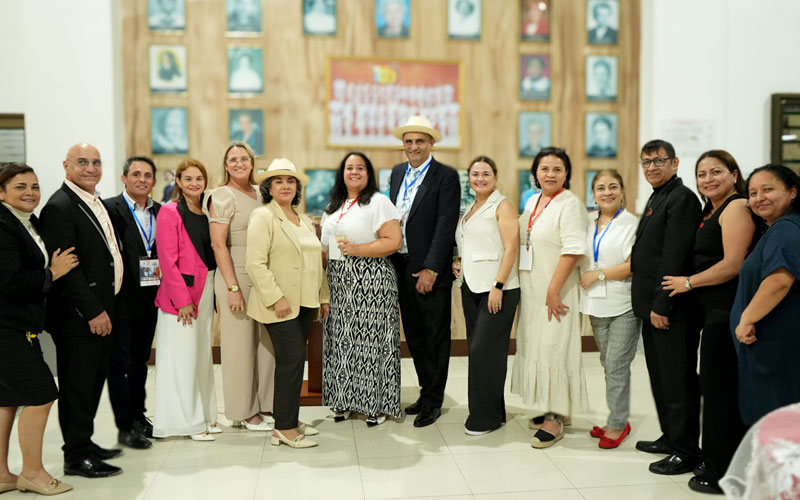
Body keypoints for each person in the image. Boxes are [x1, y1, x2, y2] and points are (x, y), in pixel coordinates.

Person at [660, 150, 755, 493]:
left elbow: (734, 264)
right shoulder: (711, 210)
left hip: (728, 313)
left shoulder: (737, 207)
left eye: (717, 171)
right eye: (702, 174)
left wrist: (688, 282)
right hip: (711, 313)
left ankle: (723, 470)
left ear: (734, 174)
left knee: (720, 395)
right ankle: (714, 457)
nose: (708, 179)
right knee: (713, 390)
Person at [39, 143, 125, 478]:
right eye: (82, 162)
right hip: (79, 317)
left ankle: (84, 443)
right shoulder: (60, 207)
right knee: (77, 387)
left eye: (96, 162)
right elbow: (68, 271)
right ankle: (75, 456)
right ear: (66, 166)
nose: (90, 168)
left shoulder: (92, 200)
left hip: (103, 310)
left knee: (92, 383)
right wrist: (92, 311)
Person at [0, 163, 75, 495]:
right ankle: (32, 472)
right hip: (5, 326)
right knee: (43, 393)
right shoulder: (3, 226)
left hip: (20, 325)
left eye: (34, 186)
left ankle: (2, 475)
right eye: (19, 187)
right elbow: (9, 281)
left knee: (6, 400)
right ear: (1, 192)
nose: (29, 192)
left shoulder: (25, 222)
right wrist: (52, 274)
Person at [246, 159, 330, 449]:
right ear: (269, 187)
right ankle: (283, 427)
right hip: (279, 304)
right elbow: (254, 264)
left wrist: (323, 297)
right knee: (292, 358)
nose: (285, 186)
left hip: (305, 302)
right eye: (279, 181)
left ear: (297, 189)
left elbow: (315, 263)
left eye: (291, 181)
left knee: (294, 361)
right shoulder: (263, 216)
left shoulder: (303, 219)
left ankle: (289, 419)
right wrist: (276, 297)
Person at [631, 139, 703, 475]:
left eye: (659, 161)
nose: (652, 167)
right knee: (660, 378)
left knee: (678, 381)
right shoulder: (660, 195)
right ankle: (671, 437)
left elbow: (675, 255)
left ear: (675, 163)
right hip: (651, 307)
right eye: (646, 162)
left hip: (671, 308)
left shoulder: (682, 198)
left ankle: (686, 450)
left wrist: (663, 305)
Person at [511, 147, 588, 448]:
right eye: (545, 169)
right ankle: (554, 409)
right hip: (533, 290)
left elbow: (572, 251)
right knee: (540, 348)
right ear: (536, 174)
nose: (550, 174)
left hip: (557, 292)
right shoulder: (533, 201)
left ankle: (555, 419)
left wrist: (553, 290)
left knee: (556, 349)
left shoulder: (570, 204)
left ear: (566, 173)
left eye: (557, 169)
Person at [320, 152, 403, 426]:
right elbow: (325, 247)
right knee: (342, 342)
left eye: (360, 168)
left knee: (371, 343)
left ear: (368, 174)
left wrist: (358, 250)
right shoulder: (333, 205)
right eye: (349, 168)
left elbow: (393, 240)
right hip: (339, 281)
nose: (354, 172)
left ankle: (375, 405)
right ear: (341, 173)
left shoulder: (378, 202)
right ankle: (343, 400)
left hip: (372, 280)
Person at [388, 116, 460, 428]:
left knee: (434, 336)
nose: (414, 146)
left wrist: (431, 267)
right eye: (409, 141)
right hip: (400, 265)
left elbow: (445, 224)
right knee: (415, 336)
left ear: (431, 143)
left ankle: (434, 399)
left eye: (420, 141)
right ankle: (425, 390)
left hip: (428, 270)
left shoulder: (445, 176)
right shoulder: (396, 173)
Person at [206, 142, 275, 432]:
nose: (239, 163)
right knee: (239, 345)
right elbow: (217, 243)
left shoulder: (261, 193)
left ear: (252, 162)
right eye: (232, 160)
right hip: (235, 272)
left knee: (266, 342)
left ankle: (266, 403)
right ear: (225, 165)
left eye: (244, 158)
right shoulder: (221, 195)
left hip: (262, 274)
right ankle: (244, 411)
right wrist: (233, 288)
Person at [152, 159, 218, 441]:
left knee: (201, 356)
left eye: (199, 178)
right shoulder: (169, 212)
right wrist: (182, 300)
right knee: (182, 358)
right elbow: (167, 260)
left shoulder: (205, 212)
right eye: (188, 178)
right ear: (178, 181)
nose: (194, 183)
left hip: (207, 289)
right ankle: (187, 423)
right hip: (182, 296)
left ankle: (204, 415)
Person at [453, 156, 520, 436]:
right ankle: (494, 411)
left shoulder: (502, 205)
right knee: (482, 353)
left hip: (497, 290)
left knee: (484, 352)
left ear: (495, 176)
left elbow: (511, 248)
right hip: (471, 288)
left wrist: (499, 284)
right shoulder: (471, 208)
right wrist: (459, 263)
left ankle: (485, 419)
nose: (479, 178)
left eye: (485, 174)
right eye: (475, 174)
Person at [732, 165, 800, 423]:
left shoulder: (785, 229)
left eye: (768, 189)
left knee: (777, 424)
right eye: (753, 192)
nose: (759, 197)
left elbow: (779, 281)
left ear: (792, 191)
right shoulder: (776, 228)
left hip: (776, 349)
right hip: (770, 348)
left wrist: (746, 318)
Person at [578, 169, 639, 449]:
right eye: (600, 188)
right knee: (608, 364)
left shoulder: (632, 223)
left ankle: (617, 424)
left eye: (613, 186)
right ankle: (616, 417)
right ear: (593, 195)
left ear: (622, 191)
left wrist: (599, 274)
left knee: (616, 365)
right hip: (596, 304)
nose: (607, 192)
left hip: (623, 304)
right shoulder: (588, 223)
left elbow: (633, 265)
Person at [104, 156, 161, 450]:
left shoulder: (160, 212)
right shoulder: (109, 209)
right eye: (136, 174)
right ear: (124, 178)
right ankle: (124, 426)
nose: (142, 179)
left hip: (150, 298)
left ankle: (139, 416)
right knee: (120, 363)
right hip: (121, 299)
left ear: (153, 181)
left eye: (147, 175)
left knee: (140, 362)